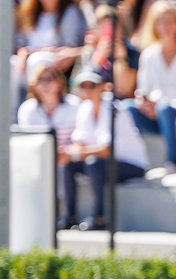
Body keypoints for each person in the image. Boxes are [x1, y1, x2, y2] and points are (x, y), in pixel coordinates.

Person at [64, 68, 150, 230]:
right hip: (104, 163)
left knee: (93, 163)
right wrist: (69, 154)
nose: (88, 90)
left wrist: (73, 153)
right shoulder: (84, 108)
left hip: (132, 164)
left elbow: (105, 150)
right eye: (84, 86)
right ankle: (70, 216)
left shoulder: (113, 108)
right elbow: (80, 141)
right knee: (69, 165)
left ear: (103, 86)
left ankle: (99, 218)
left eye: (92, 86)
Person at [132, 0, 176, 174]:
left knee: (166, 108)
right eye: (162, 21)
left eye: (171, 21)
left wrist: (164, 104)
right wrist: (144, 103)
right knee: (125, 108)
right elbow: (142, 89)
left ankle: (172, 161)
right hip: (154, 113)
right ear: (154, 25)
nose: (167, 26)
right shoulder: (148, 54)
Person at [16, 63, 81, 227]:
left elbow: (82, 136)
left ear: (59, 82)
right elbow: (28, 143)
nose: (45, 84)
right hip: (39, 157)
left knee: (65, 166)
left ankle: (68, 216)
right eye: (40, 80)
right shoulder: (28, 109)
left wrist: (66, 151)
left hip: (68, 156)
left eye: (49, 79)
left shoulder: (76, 105)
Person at [13, 0, 87, 109]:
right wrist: (23, 53)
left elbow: (68, 48)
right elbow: (20, 42)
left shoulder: (69, 13)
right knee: (11, 64)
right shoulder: (31, 14)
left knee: (37, 60)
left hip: (56, 65)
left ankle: (38, 108)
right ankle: (12, 114)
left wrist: (30, 52)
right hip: (27, 63)